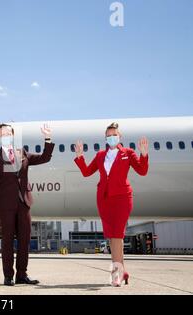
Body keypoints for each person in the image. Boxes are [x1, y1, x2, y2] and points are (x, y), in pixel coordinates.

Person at [0, 123, 54, 286]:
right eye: (2, 134)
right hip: (5, 205)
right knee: (7, 241)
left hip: (24, 203)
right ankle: (8, 276)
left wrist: (47, 139)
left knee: (24, 240)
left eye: (8, 133)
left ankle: (22, 275)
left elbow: (44, 158)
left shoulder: (22, 153)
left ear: (12, 135)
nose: (5, 136)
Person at [74, 122, 149, 287]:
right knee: (112, 236)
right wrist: (80, 157)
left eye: (114, 135)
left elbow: (142, 171)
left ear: (120, 136)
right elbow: (87, 172)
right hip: (104, 199)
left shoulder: (127, 153)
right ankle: (124, 271)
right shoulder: (101, 155)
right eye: (108, 136)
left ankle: (116, 274)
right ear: (105, 138)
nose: (111, 138)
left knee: (117, 235)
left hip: (122, 198)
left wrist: (143, 155)